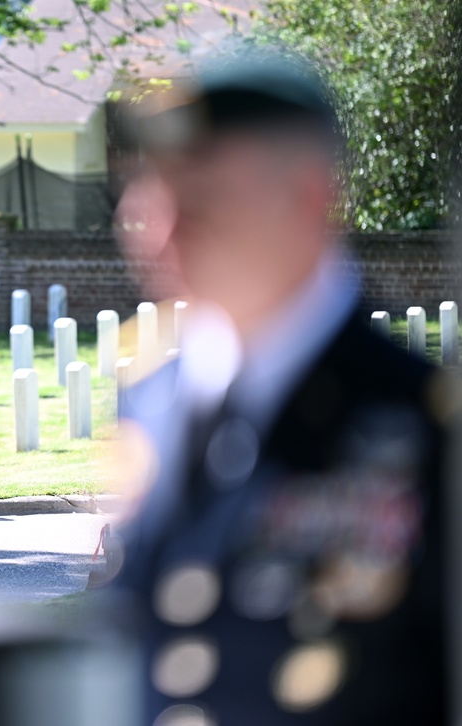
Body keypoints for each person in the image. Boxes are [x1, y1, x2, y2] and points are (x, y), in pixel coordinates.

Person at [105, 49, 454, 724]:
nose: (161, 230)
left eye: (200, 197)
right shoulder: (152, 396)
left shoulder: (422, 424)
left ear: (311, 199)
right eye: (151, 194)